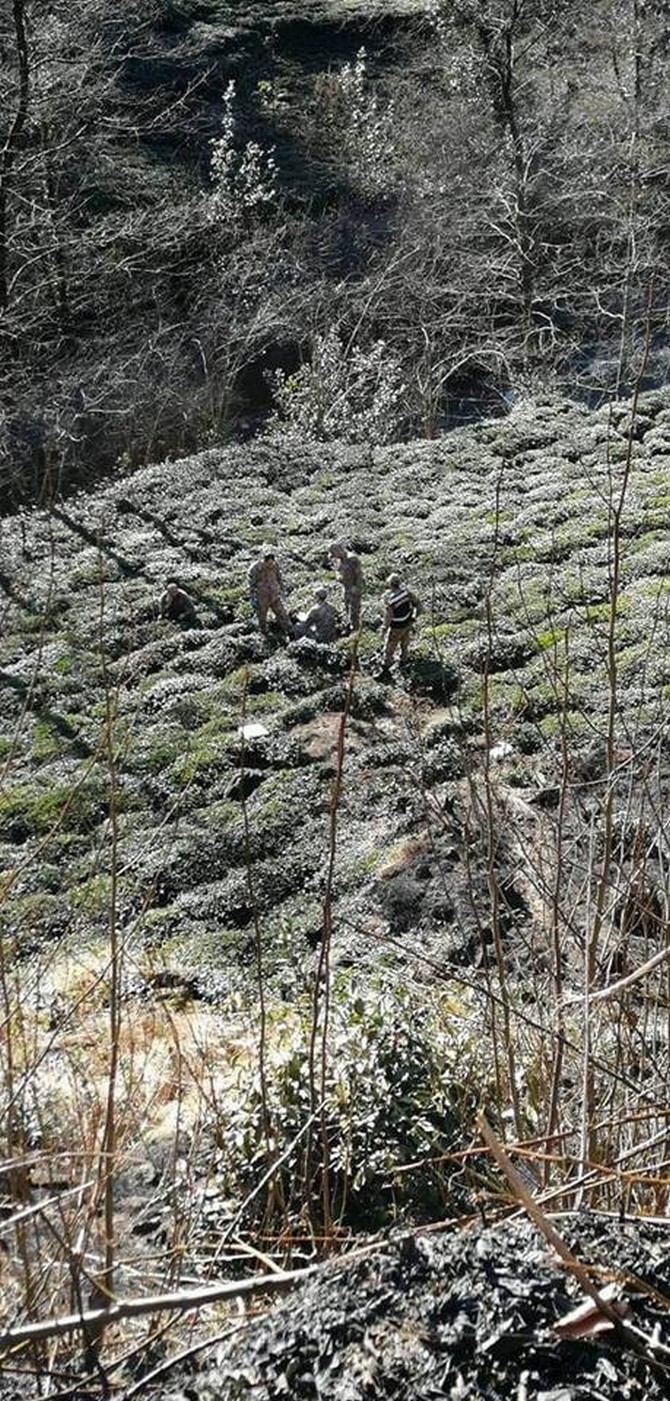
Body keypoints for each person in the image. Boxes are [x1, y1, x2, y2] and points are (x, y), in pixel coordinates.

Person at [379, 572, 422, 677]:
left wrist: (384, 628)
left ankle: (386, 669)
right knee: (404, 644)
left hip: (396, 626)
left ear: (390, 584)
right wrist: (414, 618)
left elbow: (388, 616)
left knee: (389, 648)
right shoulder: (407, 593)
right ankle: (403, 663)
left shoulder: (391, 599)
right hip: (407, 623)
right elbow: (419, 606)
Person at [248, 545, 293, 638]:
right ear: (263, 561)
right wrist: (252, 598)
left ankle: (289, 632)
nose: (270, 566)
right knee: (262, 618)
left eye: (272, 563)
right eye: (268, 564)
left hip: (274, 595)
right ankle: (265, 635)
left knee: (282, 614)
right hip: (261, 598)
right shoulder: (255, 569)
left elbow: (279, 578)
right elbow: (251, 585)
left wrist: (283, 590)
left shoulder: (275, 566)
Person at [329, 540, 363, 631]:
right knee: (347, 609)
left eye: (334, 554)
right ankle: (350, 627)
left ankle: (356, 631)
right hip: (346, 588)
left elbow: (359, 575)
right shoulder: (339, 561)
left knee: (355, 612)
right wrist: (339, 576)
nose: (334, 557)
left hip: (353, 589)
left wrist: (357, 587)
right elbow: (337, 571)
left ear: (339, 550)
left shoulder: (352, 559)